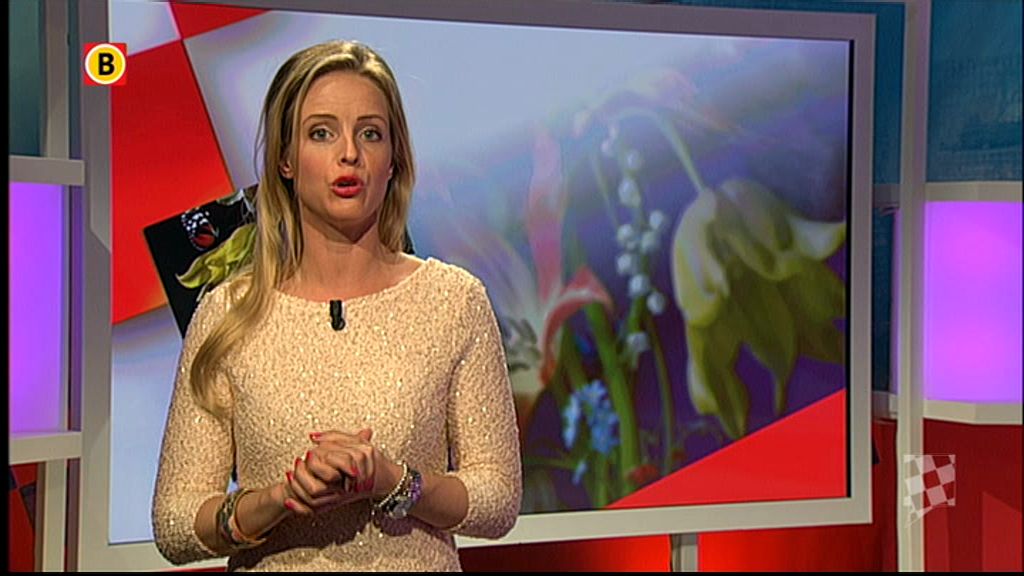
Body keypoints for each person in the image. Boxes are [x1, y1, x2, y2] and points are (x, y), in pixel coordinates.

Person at [152, 40, 522, 572]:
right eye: (321, 133)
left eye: (370, 133)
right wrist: (278, 500)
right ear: (285, 159)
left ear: (394, 159)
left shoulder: (453, 301)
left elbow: (498, 499)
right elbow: (174, 523)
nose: (349, 154)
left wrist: (392, 482)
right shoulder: (228, 313)